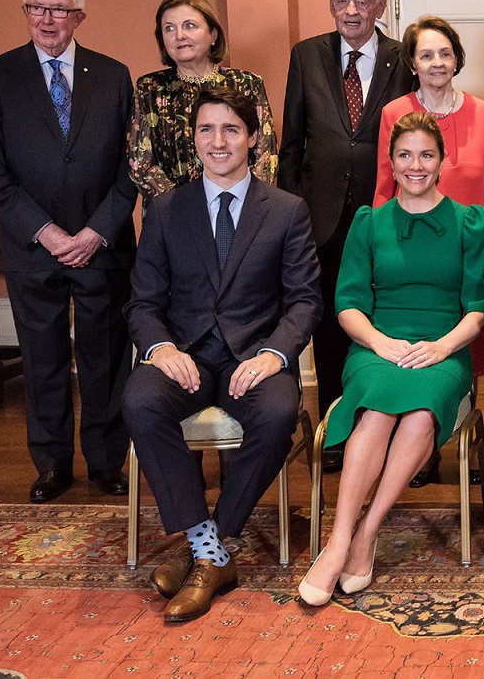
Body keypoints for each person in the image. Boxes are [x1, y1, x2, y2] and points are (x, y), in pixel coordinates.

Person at [122, 88, 322, 623]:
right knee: (139, 402)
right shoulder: (166, 210)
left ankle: (213, 542)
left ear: (252, 138)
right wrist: (160, 348)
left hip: (254, 359)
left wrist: (274, 355)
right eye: (206, 130)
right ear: (193, 140)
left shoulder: (286, 211)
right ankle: (209, 548)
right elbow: (142, 301)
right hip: (184, 356)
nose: (218, 142)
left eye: (231, 129)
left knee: (280, 413)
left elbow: (305, 300)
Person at [299, 113, 484, 606]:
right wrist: (381, 344)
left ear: (443, 160)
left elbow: (478, 309)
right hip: (375, 346)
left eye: (427, 155)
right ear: (390, 161)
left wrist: (443, 347)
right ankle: (340, 541)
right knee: (378, 413)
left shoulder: (471, 223)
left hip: (442, 349)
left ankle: (367, 533)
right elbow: (347, 305)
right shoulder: (369, 222)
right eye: (404, 155)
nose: (416, 165)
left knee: (422, 413)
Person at [0, 0, 137, 503]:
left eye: (59, 9)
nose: (47, 19)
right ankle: (51, 463)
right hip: (32, 249)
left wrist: (94, 232)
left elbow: (128, 170)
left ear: (79, 16)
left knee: (105, 357)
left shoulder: (114, 76)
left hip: (101, 246)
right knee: (42, 359)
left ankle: (106, 462)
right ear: (25, 12)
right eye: (36, 8)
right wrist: (46, 233)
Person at [277, 0, 417, 473]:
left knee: (390, 322)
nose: (351, 10)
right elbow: (291, 145)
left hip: (388, 215)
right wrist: (291, 215)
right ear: (331, 2)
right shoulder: (306, 55)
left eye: (362, 1)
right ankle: (337, 431)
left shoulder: (405, 57)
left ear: (381, 6)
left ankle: (392, 431)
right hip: (321, 220)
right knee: (334, 326)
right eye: (342, 0)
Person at [372, 15, 484, 486]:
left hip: (470, 256)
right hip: (413, 254)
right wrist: (376, 249)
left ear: (457, 59)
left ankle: (468, 443)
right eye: (426, 54)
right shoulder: (394, 112)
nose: (436, 62)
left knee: (464, 350)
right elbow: (383, 186)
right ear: (411, 61)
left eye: (444, 53)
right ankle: (422, 450)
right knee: (416, 342)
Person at [127, 0, 277, 201]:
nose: (179, 35)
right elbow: (139, 161)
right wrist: (189, 208)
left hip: (240, 210)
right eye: (169, 28)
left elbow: (265, 154)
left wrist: (238, 204)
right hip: (173, 216)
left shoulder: (247, 83)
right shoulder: (149, 88)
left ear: (213, 34)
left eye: (190, 25)